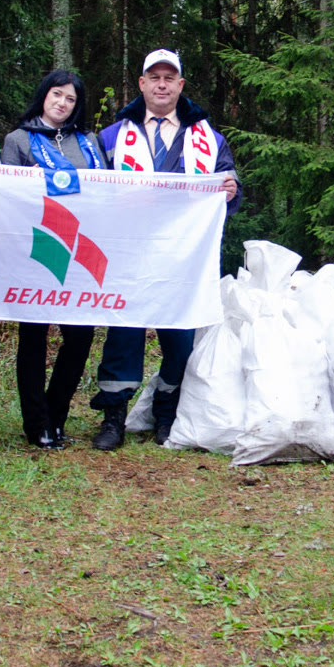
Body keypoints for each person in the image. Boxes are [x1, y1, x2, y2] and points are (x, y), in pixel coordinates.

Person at [87, 49, 241, 451]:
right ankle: (114, 415)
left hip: (183, 257)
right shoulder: (112, 136)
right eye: (153, 77)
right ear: (141, 84)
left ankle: (167, 410)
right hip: (129, 255)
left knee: (181, 337)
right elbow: (93, 192)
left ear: (180, 85)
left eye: (168, 78)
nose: (160, 84)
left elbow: (229, 184)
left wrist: (230, 190)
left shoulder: (209, 138)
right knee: (123, 332)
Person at [2, 70, 108, 449]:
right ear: (43, 95)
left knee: (79, 337)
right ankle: (37, 423)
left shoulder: (90, 142)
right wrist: (23, 182)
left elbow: (111, 191)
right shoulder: (18, 140)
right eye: (57, 95)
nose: (62, 103)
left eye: (70, 99)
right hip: (39, 246)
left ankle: (56, 413)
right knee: (34, 336)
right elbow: (5, 195)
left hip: (82, 247)